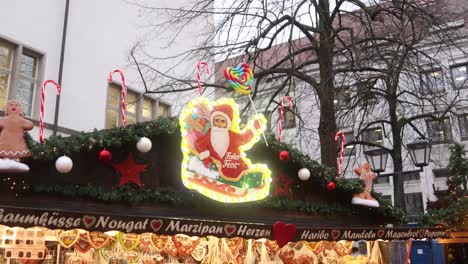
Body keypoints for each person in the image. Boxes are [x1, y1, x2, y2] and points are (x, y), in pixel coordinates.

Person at [194, 104, 262, 182]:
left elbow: (244, 138)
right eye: (216, 120)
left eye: (222, 121)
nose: (219, 124)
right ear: (213, 121)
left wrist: (254, 128)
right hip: (216, 170)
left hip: (233, 165)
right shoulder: (209, 136)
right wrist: (207, 156)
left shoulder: (231, 136)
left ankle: (248, 181)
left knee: (243, 170)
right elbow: (198, 145)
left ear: (228, 122)